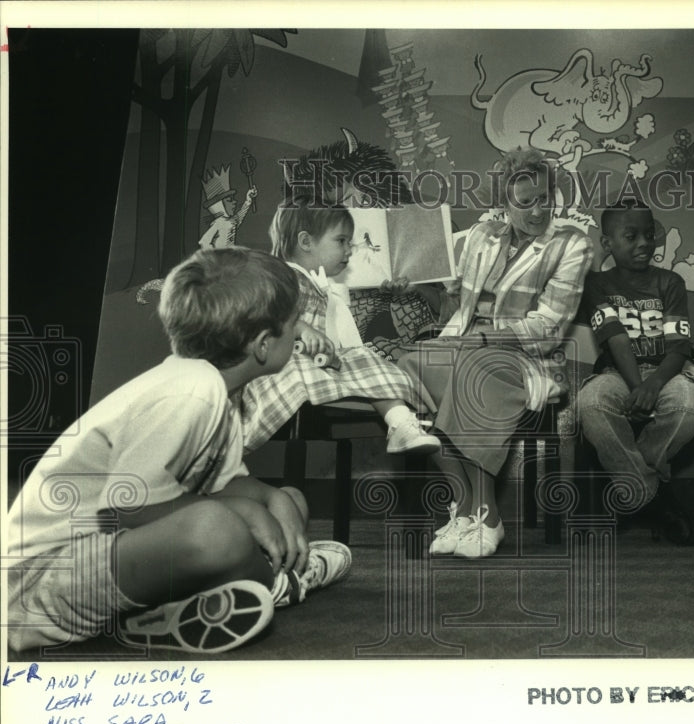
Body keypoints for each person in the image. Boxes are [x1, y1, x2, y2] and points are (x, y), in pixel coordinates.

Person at [6, 248, 351, 654]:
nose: (299, 334)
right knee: (216, 528)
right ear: (262, 345)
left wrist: (272, 498)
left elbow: (225, 485)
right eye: (294, 324)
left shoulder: (220, 393)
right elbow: (127, 506)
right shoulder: (192, 389)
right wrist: (244, 512)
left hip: (111, 557)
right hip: (39, 583)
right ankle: (279, 582)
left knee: (287, 500)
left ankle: (162, 616)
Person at [398, 148, 593, 558]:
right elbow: (425, 268)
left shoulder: (572, 245)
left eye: (545, 198)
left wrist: (486, 340)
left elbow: (549, 327)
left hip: (525, 358)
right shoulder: (480, 236)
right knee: (411, 363)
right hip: (462, 344)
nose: (538, 210)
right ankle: (463, 507)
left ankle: (487, 513)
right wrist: (404, 280)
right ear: (504, 204)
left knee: (473, 364)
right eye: (525, 202)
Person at [239, 201, 439, 455]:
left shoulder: (321, 285)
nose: (349, 250)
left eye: (350, 243)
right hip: (280, 366)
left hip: (319, 362)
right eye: (341, 241)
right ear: (306, 242)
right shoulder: (282, 276)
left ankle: (400, 424)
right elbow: (259, 313)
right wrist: (300, 328)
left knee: (366, 359)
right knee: (357, 360)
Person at [576, 199, 694, 542]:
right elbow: (616, 338)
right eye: (631, 236)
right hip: (618, 374)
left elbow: (679, 346)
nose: (643, 244)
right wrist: (640, 385)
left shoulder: (670, 282)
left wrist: (654, 384)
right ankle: (655, 495)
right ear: (607, 243)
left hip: (668, 372)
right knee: (591, 403)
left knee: (689, 406)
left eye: (649, 235)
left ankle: (630, 490)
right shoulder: (597, 284)